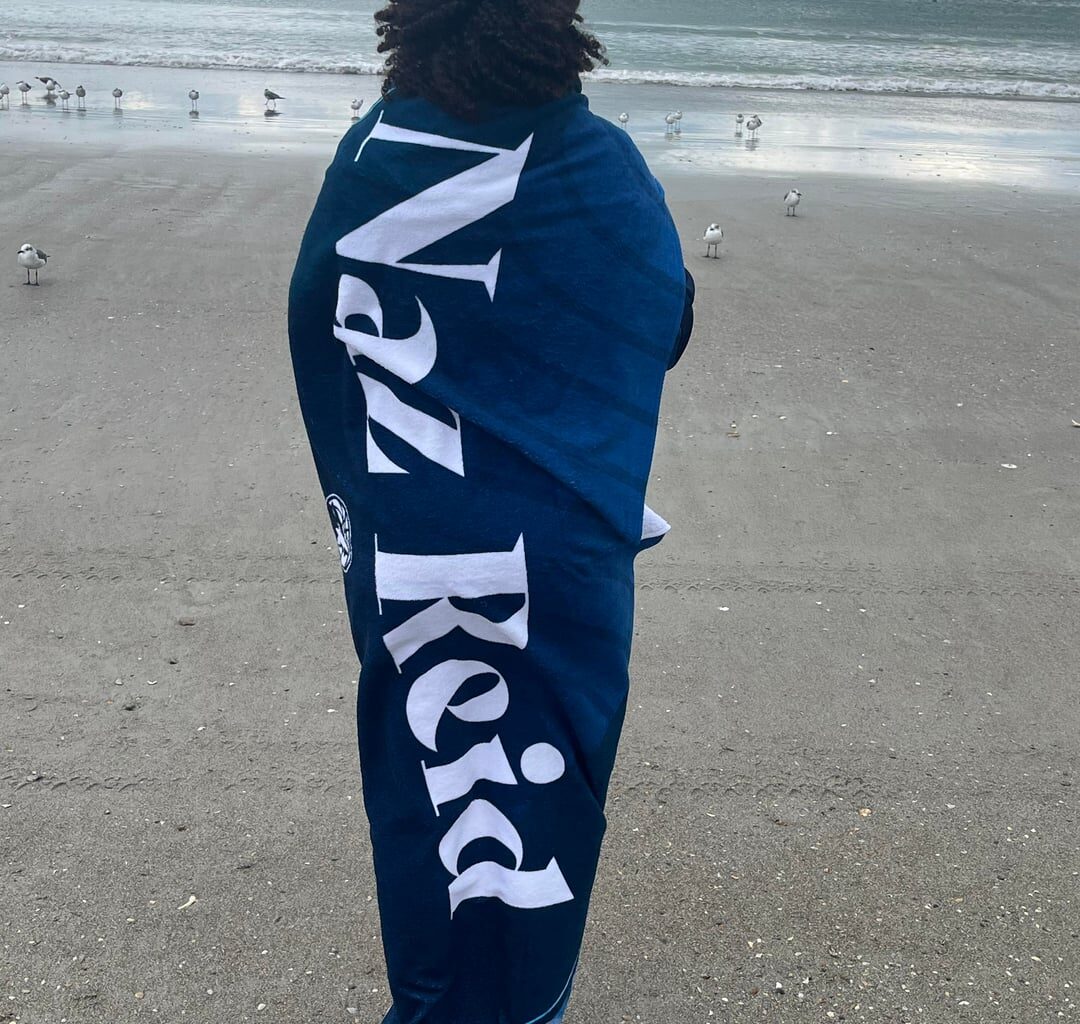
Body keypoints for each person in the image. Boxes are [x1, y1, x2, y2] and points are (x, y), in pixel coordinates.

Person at [288, 2, 694, 1021]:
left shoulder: (371, 156)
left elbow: (316, 324)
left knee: (433, 828)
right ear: (558, 29)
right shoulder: (598, 166)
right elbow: (663, 316)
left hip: (418, 570)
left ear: (411, 27)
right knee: (533, 829)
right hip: (549, 578)